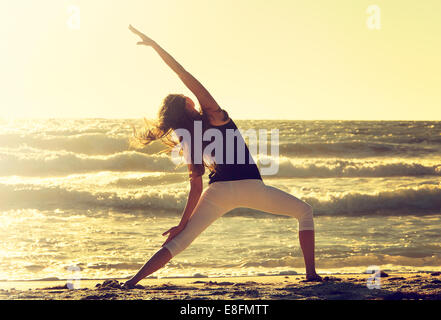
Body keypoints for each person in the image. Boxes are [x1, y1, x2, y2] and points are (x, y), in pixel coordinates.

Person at [124, 25, 322, 288]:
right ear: (186, 104)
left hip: (217, 193)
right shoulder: (214, 114)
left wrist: (183, 223)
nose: (188, 95)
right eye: (185, 96)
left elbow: (195, 185)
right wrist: (157, 47)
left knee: (180, 241)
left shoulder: (186, 136)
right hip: (250, 186)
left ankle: (132, 281)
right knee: (304, 212)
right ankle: (310, 274)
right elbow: (185, 75)